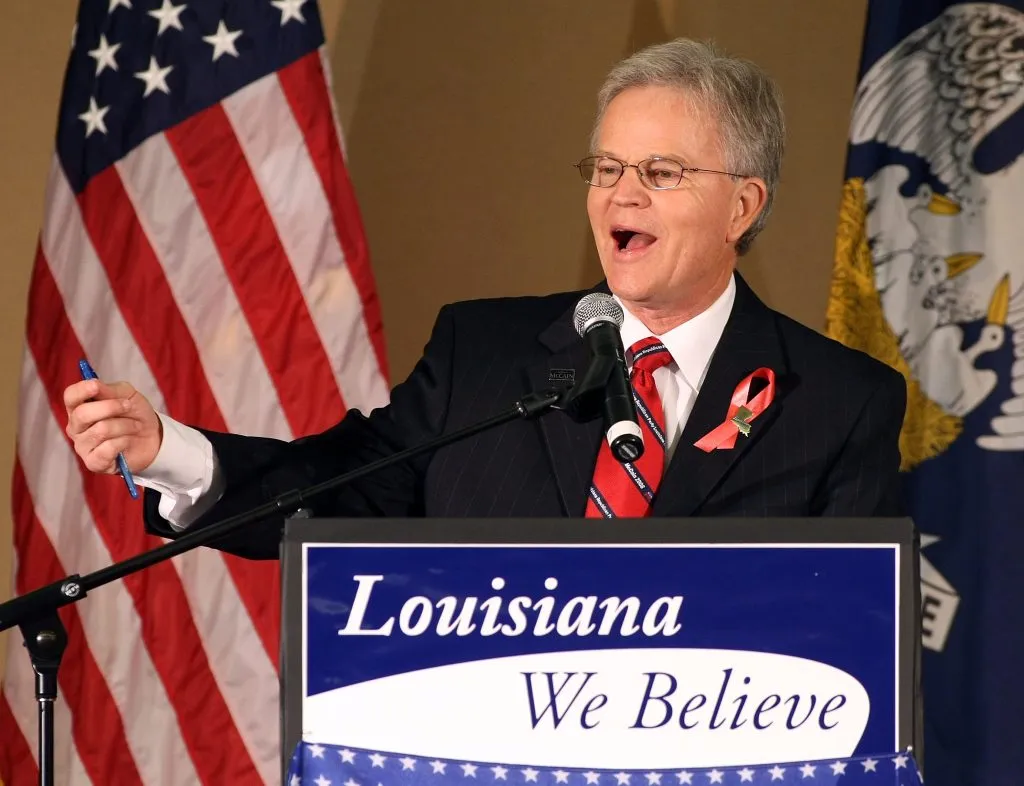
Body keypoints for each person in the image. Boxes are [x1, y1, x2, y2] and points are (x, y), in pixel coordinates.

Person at [63, 38, 907, 560]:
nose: (622, 194)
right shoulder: (483, 354)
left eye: (660, 172)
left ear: (742, 207)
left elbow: (849, 633)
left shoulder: (840, 402)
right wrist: (171, 449)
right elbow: (342, 490)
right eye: (607, 168)